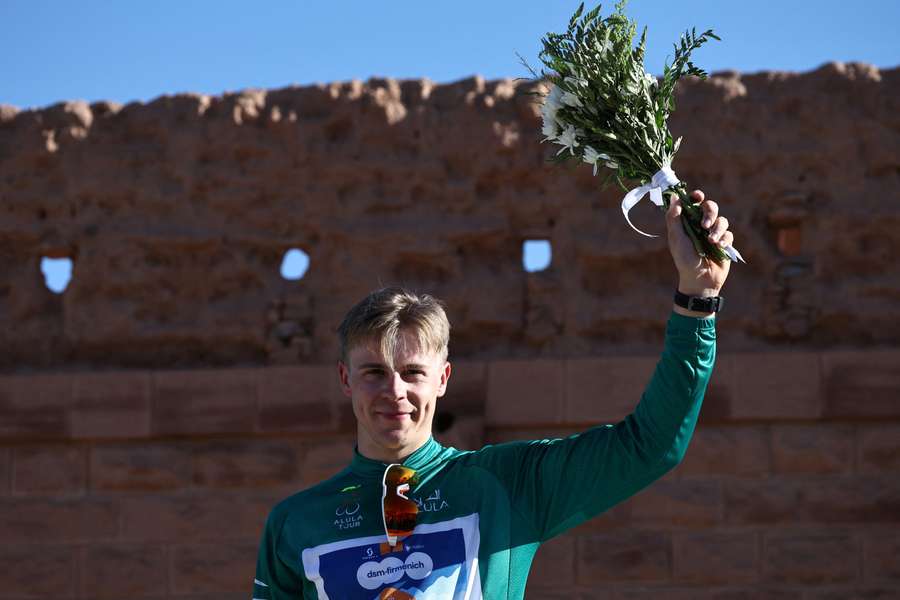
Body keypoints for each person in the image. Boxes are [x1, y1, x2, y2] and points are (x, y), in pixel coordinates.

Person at [252, 191, 734, 599]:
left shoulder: (505, 485)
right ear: (345, 378)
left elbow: (649, 446)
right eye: (374, 372)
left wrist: (697, 301)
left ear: (443, 378)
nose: (394, 390)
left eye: (412, 372)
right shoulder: (295, 523)